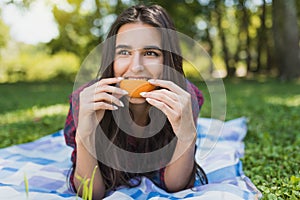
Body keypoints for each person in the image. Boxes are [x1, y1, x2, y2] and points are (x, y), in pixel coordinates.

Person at [64, 4, 207, 199]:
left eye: (150, 53)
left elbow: (175, 186)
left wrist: (187, 136)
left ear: (167, 60)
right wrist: (84, 136)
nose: (136, 67)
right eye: (124, 52)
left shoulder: (185, 98)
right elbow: (91, 194)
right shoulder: (86, 101)